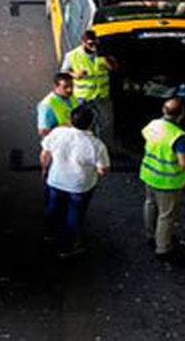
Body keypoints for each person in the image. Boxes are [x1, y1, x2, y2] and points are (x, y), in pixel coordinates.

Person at [40, 105, 110, 258]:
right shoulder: (97, 145)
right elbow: (102, 170)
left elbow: (45, 153)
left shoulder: (57, 133)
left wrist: (45, 169)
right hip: (80, 186)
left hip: (56, 179)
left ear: (71, 120)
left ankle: (50, 234)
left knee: (53, 206)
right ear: (91, 123)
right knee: (74, 215)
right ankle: (66, 247)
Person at [139, 98, 185, 258]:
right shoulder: (179, 137)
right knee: (166, 215)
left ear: (164, 110)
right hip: (168, 181)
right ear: (181, 114)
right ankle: (163, 247)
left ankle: (151, 235)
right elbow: (184, 164)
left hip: (149, 174)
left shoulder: (153, 125)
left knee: (150, 204)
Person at [61, 30, 116, 137]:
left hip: (102, 96)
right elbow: (63, 73)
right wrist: (74, 74)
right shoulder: (72, 55)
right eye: (91, 44)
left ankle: (106, 147)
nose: (94, 47)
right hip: (84, 98)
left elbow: (115, 68)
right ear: (83, 42)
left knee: (107, 124)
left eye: (96, 43)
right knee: (84, 125)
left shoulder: (103, 53)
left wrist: (107, 60)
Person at [36, 72, 79, 138]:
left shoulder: (71, 97)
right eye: (65, 87)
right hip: (58, 143)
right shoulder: (46, 105)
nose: (70, 90)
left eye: (71, 86)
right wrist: (66, 126)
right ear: (56, 87)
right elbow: (43, 132)